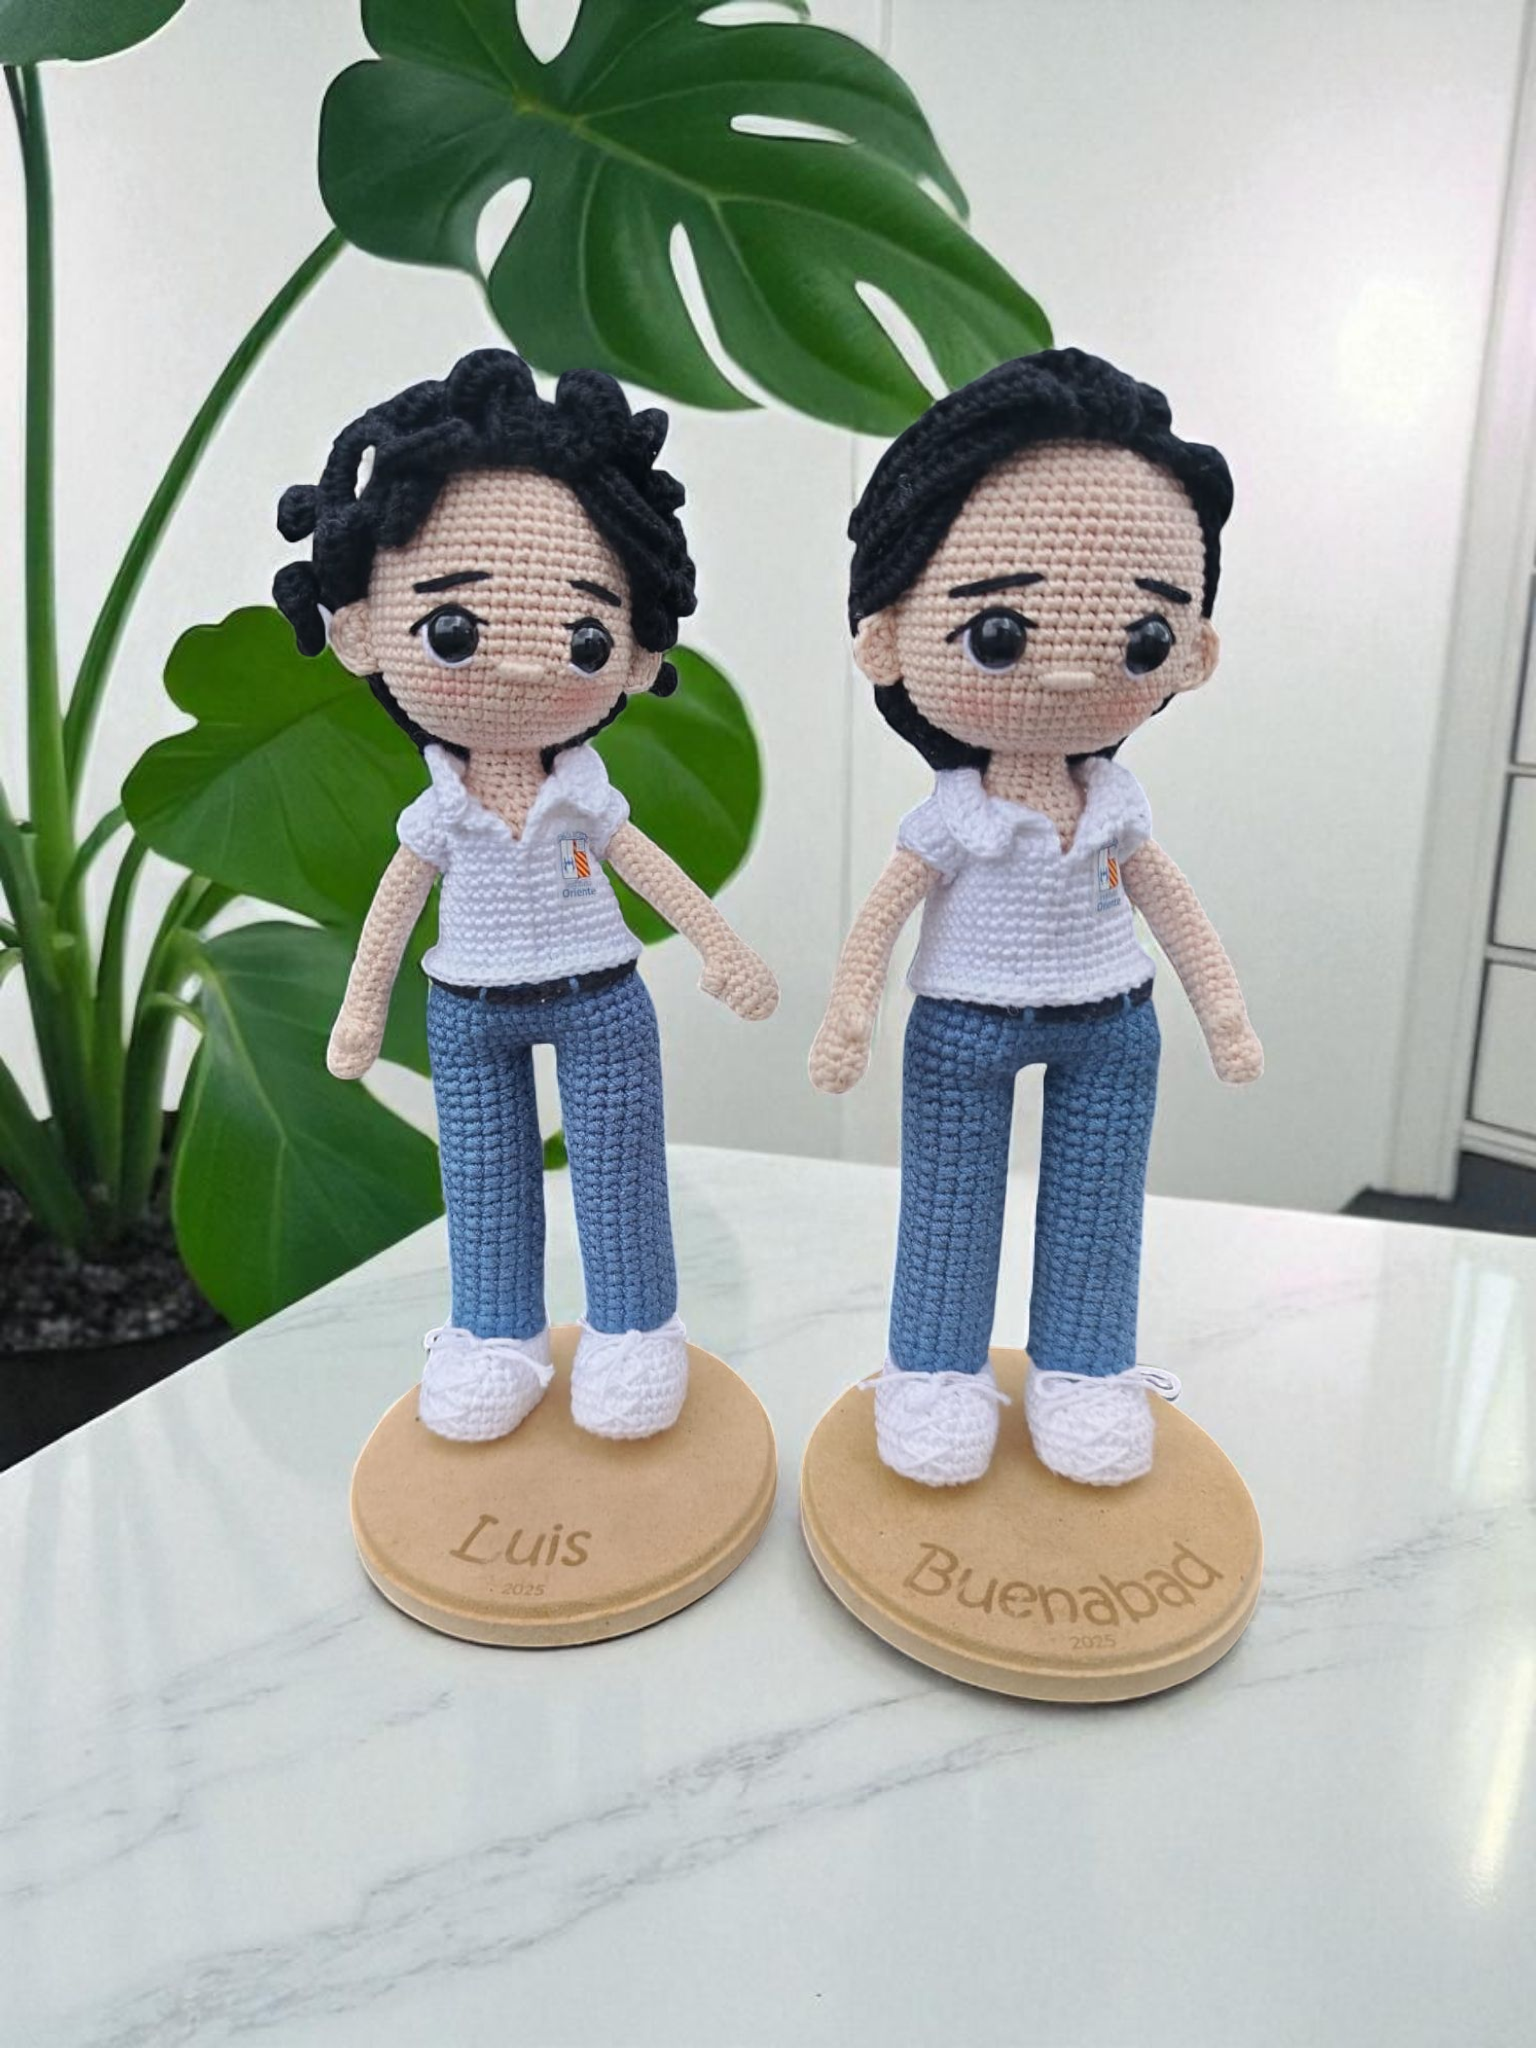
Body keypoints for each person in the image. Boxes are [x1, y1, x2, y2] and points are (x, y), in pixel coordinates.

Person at [274, 349, 776, 1446]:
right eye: (454, 629)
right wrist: (363, 1009)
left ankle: (634, 1328)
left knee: (619, 1167)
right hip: (467, 1007)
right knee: (485, 1176)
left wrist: (720, 947)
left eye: (584, 636)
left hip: (601, 997)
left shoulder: (588, 800)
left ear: (633, 653)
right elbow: (395, 908)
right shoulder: (440, 815)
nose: (524, 665)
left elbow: (647, 866)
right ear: (361, 630)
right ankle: (494, 1334)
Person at [810, 348, 1261, 1489]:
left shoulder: (1118, 809)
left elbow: (1172, 906)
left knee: (1099, 1203)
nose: (1070, 674)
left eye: (1141, 639)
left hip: (1112, 1021)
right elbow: (883, 916)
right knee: (949, 1202)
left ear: (1192, 651)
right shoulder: (950, 820)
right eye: (1002, 634)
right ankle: (933, 1370)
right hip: (961, 1022)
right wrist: (851, 1013)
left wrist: (1221, 1009)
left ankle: (1087, 1370)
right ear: (888, 637)